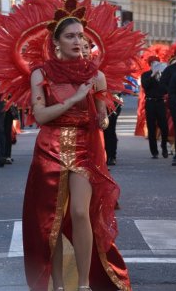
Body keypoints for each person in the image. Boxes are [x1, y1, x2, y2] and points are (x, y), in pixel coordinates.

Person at [26, 18, 131, 290]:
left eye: (80, 36)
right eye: (70, 36)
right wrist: (73, 100)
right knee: (53, 220)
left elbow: (101, 117)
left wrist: (103, 117)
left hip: (83, 149)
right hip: (49, 148)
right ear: (56, 42)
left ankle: (84, 283)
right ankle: (59, 284)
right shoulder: (41, 74)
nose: (77, 41)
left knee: (81, 213)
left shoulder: (96, 77)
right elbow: (40, 115)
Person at [140, 55, 168, 159]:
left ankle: (164, 146)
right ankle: (154, 151)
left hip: (160, 102)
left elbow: (165, 90)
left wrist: (160, 78)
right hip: (150, 102)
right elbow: (145, 86)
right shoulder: (146, 75)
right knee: (151, 128)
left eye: (157, 64)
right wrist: (152, 75)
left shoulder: (162, 76)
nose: (155, 66)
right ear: (150, 65)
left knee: (164, 127)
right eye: (153, 64)